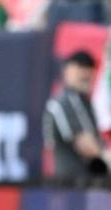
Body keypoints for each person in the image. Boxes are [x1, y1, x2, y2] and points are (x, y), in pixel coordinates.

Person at [42, 50, 111, 181]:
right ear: (66, 70)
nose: (85, 73)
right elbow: (86, 146)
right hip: (72, 185)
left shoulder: (85, 102)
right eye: (80, 67)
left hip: (87, 184)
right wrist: (106, 157)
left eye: (89, 68)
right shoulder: (64, 101)